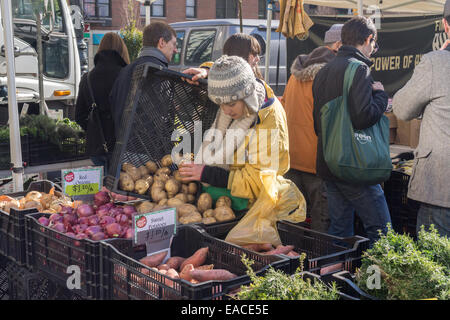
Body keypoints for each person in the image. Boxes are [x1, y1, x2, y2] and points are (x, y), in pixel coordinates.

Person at [179, 55, 306, 245]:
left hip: (249, 207)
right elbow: (230, 70)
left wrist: (207, 173)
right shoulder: (244, 90)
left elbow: (258, 180)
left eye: (231, 104)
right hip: (224, 198)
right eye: (221, 104)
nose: (226, 110)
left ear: (247, 95)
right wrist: (207, 71)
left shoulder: (268, 123)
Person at [312, 16, 391, 246]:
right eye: (373, 44)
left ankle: (336, 278)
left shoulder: (323, 71)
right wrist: (380, 96)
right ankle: (379, 281)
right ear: (368, 39)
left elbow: (318, 122)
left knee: (340, 230)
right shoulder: (359, 69)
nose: (373, 49)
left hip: (328, 162)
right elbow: (363, 117)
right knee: (382, 230)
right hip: (353, 165)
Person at [392, 0, 450, 237]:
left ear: (445, 25)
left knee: (435, 266)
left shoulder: (437, 63)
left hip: (441, 186)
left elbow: (402, 109)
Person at [280, 24, 343, 232]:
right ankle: (316, 263)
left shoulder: (294, 75)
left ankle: (291, 261)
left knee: (292, 220)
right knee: (320, 223)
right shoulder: (329, 76)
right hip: (317, 162)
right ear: (338, 45)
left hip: (291, 159)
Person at [110, 21, 178, 138]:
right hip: (150, 149)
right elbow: (164, 118)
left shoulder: (125, 70)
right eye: (174, 44)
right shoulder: (159, 73)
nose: (175, 50)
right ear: (162, 42)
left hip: (123, 148)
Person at [75, 32, 130, 174]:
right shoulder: (128, 76)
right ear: (122, 50)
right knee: (124, 192)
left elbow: (79, 116)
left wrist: (95, 129)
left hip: (97, 146)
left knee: (100, 194)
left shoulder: (87, 78)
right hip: (124, 146)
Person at [182, 33, 263, 84]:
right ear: (240, 55)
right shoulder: (228, 81)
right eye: (255, 54)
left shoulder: (257, 81)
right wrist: (208, 71)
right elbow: (222, 70)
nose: (258, 59)